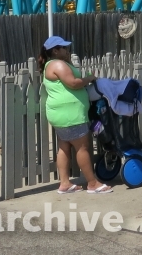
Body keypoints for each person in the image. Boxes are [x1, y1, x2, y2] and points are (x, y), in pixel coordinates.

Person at [39, 36, 113, 194]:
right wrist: (89, 78)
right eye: (64, 48)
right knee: (82, 148)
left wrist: (70, 64)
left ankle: (65, 183)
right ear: (55, 51)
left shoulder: (54, 64)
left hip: (61, 114)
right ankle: (92, 183)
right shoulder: (57, 64)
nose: (67, 50)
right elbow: (73, 83)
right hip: (70, 114)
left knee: (64, 147)